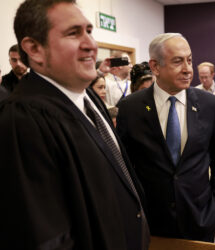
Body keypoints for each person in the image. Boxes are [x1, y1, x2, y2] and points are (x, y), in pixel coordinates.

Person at [0, 0, 149, 249]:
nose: (91, 44)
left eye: (89, 31)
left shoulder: (87, 95)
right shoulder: (22, 118)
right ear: (34, 48)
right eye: (73, 33)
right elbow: (45, 236)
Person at [116, 33, 215, 242]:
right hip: (150, 224)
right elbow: (123, 168)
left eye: (189, 60)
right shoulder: (130, 108)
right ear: (155, 67)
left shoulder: (209, 104)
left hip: (201, 221)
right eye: (178, 61)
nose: (188, 69)